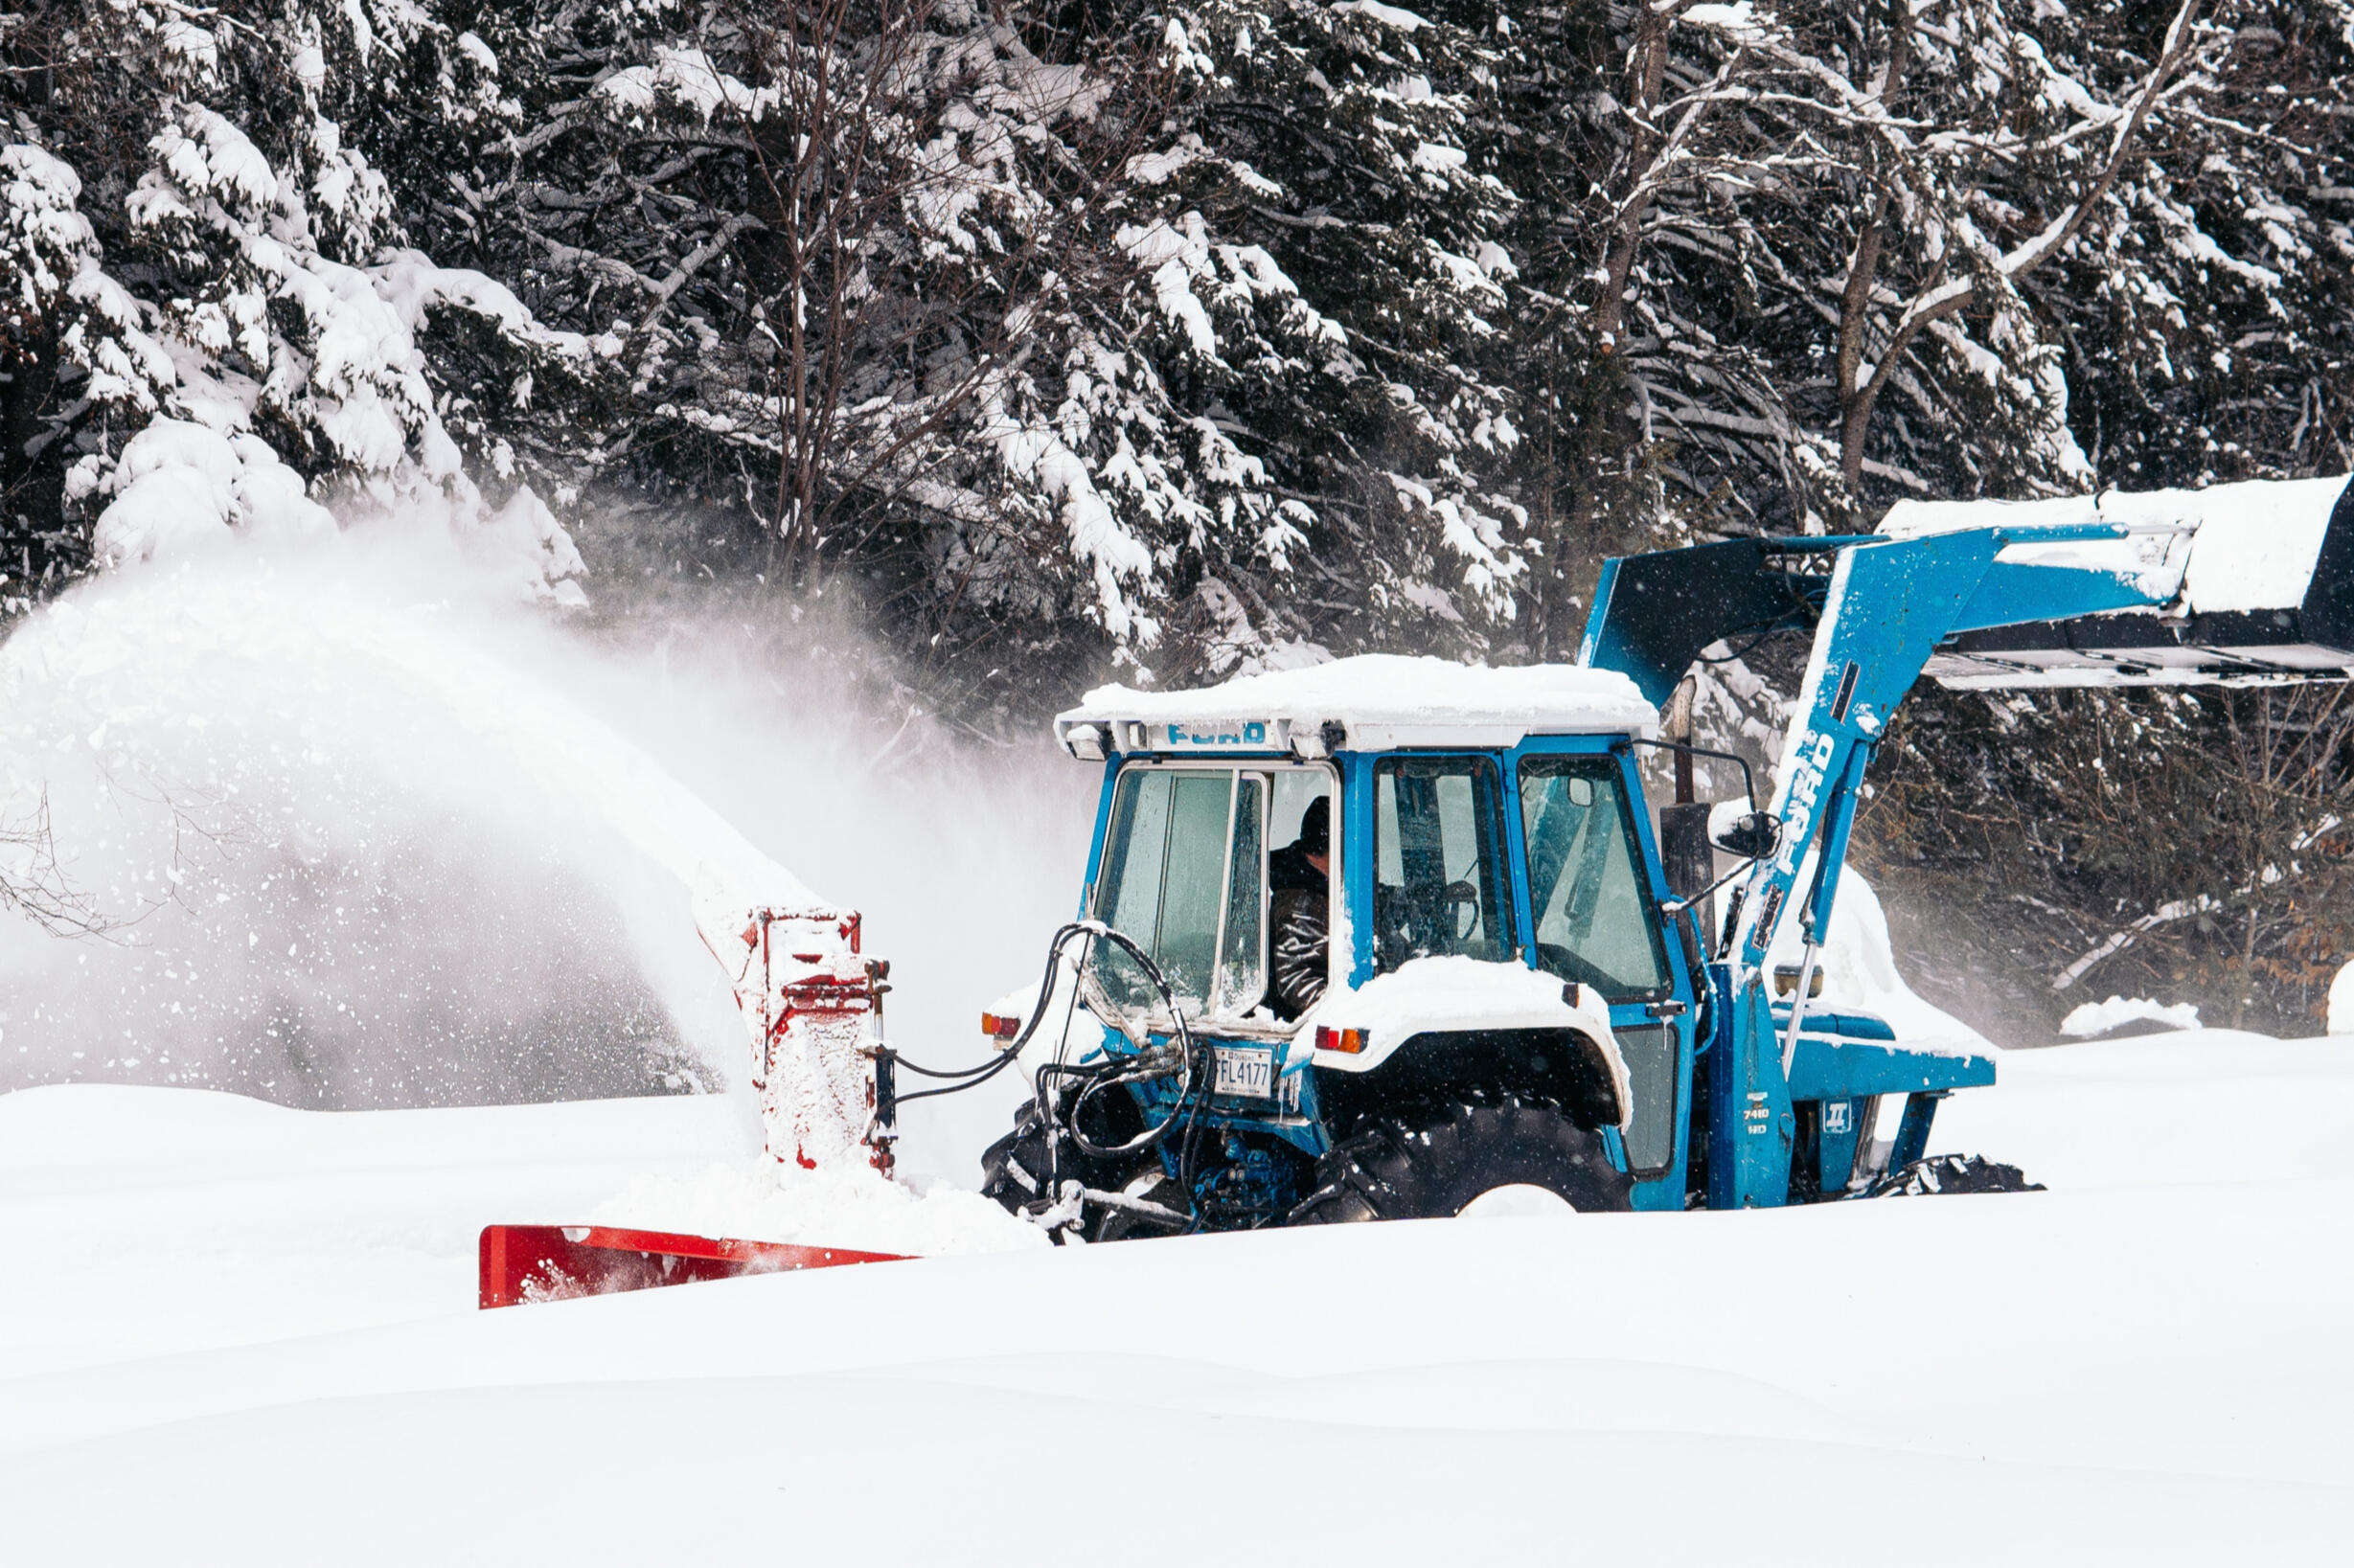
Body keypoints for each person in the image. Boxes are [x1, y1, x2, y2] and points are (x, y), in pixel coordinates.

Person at [1268, 795, 1331, 1020]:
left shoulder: (1321, 884)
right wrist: (1344, 1009)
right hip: (1301, 1028)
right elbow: (1297, 978)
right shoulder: (1301, 904)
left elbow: (1378, 898)